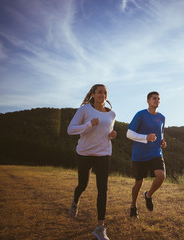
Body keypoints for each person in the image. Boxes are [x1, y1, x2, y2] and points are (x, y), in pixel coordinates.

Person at [67, 84, 116, 240]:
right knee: (83, 184)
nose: (103, 94)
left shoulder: (112, 114)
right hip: (85, 152)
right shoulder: (83, 110)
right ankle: (75, 201)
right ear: (93, 94)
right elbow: (70, 129)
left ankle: (100, 227)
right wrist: (88, 124)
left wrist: (111, 135)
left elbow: (106, 133)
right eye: (100, 92)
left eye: (105, 92)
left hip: (104, 153)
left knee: (103, 189)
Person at [126, 91, 167, 218]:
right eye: (154, 98)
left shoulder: (162, 117)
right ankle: (133, 206)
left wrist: (162, 142)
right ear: (148, 101)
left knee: (161, 176)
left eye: (158, 99)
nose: (157, 101)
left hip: (155, 153)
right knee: (138, 183)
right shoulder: (140, 115)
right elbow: (129, 134)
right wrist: (145, 138)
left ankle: (148, 195)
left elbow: (160, 134)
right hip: (140, 155)